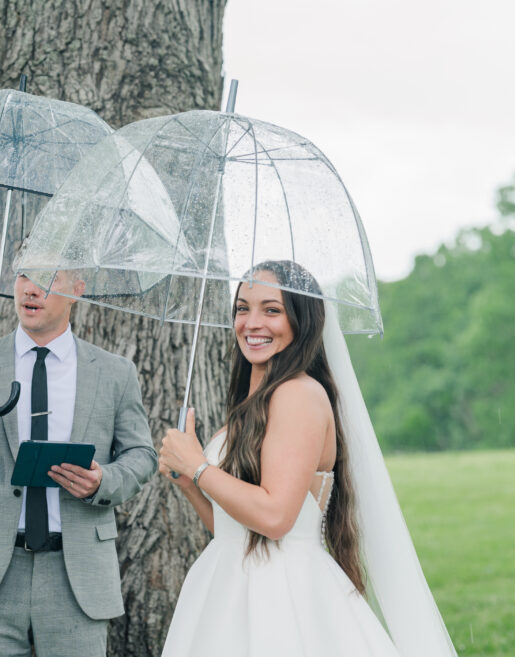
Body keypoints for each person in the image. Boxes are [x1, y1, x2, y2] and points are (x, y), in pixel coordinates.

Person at [158, 260, 457, 656]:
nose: (252, 322)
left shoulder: (298, 395)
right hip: (226, 586)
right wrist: (188, 481)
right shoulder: (252, 404)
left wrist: (199, 467)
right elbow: (235, 529)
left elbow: (276, 518)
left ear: (303, 321)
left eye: (272, 309)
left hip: (281, 594)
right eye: (242, 308)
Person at [0, 270, 157, 657]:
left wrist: (104, 480)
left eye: (46, 277)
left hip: (76, 577)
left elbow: (142, 456)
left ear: (77, 290)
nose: (30, 288)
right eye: (23, 275)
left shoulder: (114, 372)